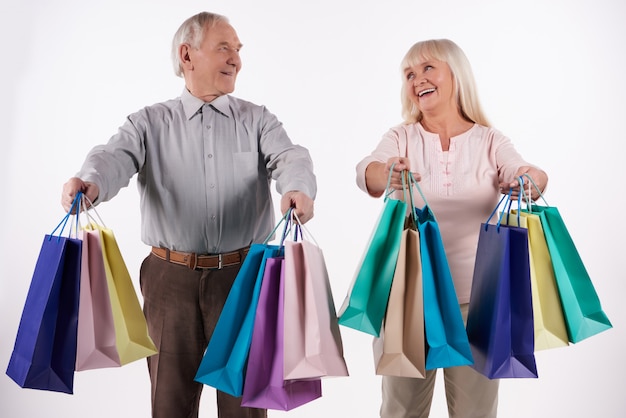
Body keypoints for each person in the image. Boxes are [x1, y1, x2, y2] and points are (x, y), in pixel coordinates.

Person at [61, 12, 316, 418]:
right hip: (169, 282)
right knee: (170, 404)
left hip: (243, 278)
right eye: (224, 47)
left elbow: (290, 156)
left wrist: (298, 188)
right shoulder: (148, 123)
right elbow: (112, 157)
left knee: (245, 407)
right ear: (187, 54)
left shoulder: (257, 119)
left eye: (238, 50)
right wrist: (90, 182)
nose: (236, 58)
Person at [356, 39, 548, 418]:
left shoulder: (491, 141)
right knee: (401, 410)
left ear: (456, 75)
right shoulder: (402, 137)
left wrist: (530, 178)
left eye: (428, 68)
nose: (418, 79)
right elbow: (368, 172)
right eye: (410, 74)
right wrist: (389, 170)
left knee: (475, 411)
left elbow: (529, 174)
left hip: (476, 300)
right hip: (408, 298)